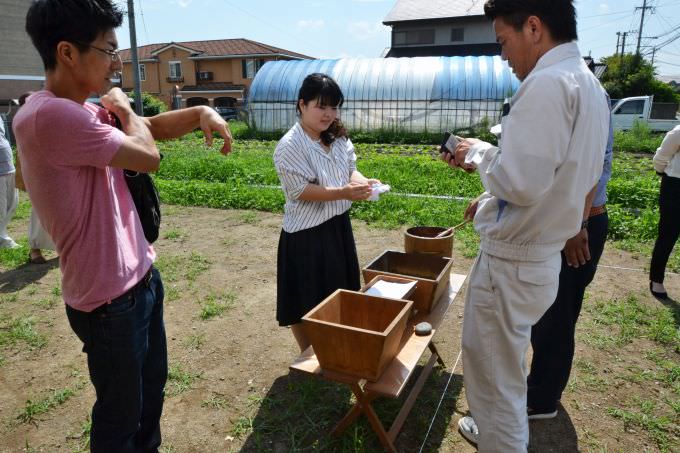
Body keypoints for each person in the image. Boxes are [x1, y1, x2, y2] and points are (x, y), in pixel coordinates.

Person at [13, 0, 232, 451]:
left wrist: (197, 114)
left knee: (149, 396)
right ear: (68, 52)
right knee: (120, 417)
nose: (116, 62)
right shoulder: (53, 115)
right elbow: (147, 154)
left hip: (138, 281)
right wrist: (121, 105)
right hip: (108, 301)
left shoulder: (73, 110)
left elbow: (146, 128)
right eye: (108, 49)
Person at [441, 0, 610, 450]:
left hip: (512, 264)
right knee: (507, 374)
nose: (503, 55)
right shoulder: (588, 86)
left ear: (533, 27)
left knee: (495, 389)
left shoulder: (547, 83)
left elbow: (520, 180)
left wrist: (478, 154)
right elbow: (566, 177)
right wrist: (490, 193)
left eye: (503, 40)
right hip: (539, 257)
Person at [273, 73, 378, 352]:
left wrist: (362, 182)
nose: (329, 114)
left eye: (334, 107)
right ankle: (309, 353)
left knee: (340, 289)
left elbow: (349, 169)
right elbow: (300, 191)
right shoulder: (290, 145)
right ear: (302, 105)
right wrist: (344, 192)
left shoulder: (337, 135)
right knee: (304, 296)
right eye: (321, 106)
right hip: (306, 234)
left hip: (337, 225)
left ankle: (335, 346)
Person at [527, 118, 614, 420]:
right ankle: (542, 387)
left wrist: (577, 224)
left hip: (577, 224)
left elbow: (589, 166)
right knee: (547, 313)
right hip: (567, 221)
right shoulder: (573, 86)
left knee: (557, 316)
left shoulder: (587, 92)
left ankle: (541, 400)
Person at [14, 91, 56, 264]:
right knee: (38, 211)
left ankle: (59, 245)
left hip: (52, 171)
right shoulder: (24, 120)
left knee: (55, 211)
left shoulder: (41, 118)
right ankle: (34, 249)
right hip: (36, 172)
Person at [650, 124, 680, 300]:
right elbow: (660, 159)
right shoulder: (678, 132)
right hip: (676, 187)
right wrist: (662, 173)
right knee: (668, 235)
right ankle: (656, 280)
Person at [0, 117, 19, 249]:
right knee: (1, 206)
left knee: (13, 203)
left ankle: (3, 234)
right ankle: (3, 239)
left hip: (8, 164)